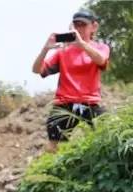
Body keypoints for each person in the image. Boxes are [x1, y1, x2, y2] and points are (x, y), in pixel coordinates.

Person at [32, 8, 111, 149]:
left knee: (108, 134)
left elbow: (101, 60)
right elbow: (37, 70)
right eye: (76, 25)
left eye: (83, 25)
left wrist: (82, 44)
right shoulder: (62, 51)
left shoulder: (101, 47)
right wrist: (45, 49)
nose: (79, 28)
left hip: (90, 103)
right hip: (64, 104)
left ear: (94, 26)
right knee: (54, 147)